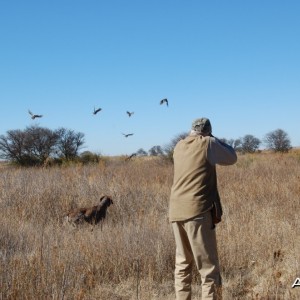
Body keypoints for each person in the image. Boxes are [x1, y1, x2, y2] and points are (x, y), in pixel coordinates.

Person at [169, 117, 237, 300]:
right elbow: (232, 157)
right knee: (209, 269)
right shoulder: (208, 143)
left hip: (175, 211)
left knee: (183, 264)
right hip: (197, 211)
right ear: (208, 131)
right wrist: (215, 138)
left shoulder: (178, 146)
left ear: (192, 130)